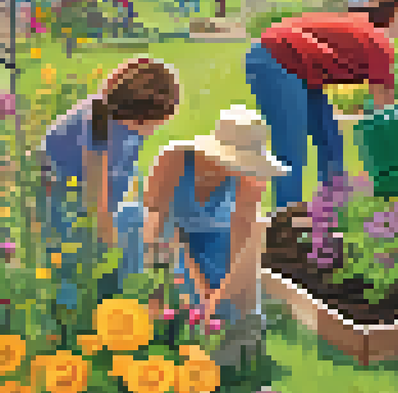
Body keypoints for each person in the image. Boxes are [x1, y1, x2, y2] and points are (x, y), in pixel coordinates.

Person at [246, 0, 398, 210]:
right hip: (274, 59)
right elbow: (384, 118)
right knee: (291, 150)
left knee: (330, 140)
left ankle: (334, 212)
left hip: (301, 67)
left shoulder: (365, 26)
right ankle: (285, 226)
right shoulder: (379, 42)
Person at [140, 105, 288, 367]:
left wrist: (221, 294)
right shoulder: (174, 161)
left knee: (234, 309)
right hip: (168, 241)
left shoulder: (250, 180)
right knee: (174, 298)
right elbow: (156, 226)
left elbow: (243, 244)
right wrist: (162, 286)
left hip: (218, 243)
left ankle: (236, 348)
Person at [41, 57, 181, 304]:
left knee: (142, 219)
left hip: (97, 208)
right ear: (138, 112)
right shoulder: (98, 122)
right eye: (154, 121)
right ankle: (112, 304)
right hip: (65, 213)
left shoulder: (131, 128)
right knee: (90, 264)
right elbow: (95, 199)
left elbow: (124, 176)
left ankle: (131, 299)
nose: (154, 128)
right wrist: (111, 245)